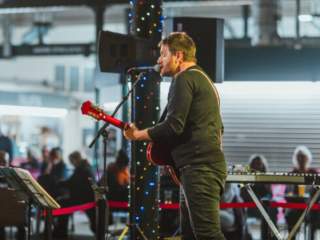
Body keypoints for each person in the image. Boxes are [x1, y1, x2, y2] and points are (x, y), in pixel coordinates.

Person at [124, 32, 227, 240]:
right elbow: (218, 129)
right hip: (199, 169)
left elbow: (172, 127)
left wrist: (137, 135)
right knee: (190, 235)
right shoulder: (202, 79)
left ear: (178, 56)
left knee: (208, 235)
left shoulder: (184, 79)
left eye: (163, 54)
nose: (158, 60)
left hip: (199, 170)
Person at [53, 151, 96, 238]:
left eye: (71, 161)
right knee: (62, 202)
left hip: (82, 199)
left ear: (76, 159)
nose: (71, 164)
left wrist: (58, 183)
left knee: (61, 204)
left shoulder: (82, 169)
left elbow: (72, 183)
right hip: (86, 198)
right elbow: (73, 182)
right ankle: (60, 231)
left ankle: (61, 232)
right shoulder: (85, 167)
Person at [285, 146, 319, 240]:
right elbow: (287, 193)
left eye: (303, 157)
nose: (301, 159)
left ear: (308, 158)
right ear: (295, 159)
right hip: (295, 206)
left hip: (311, 207)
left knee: (314, 217)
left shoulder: (314, 173)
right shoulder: (292, 173)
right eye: (298, 157)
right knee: (290, 216)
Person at [240, 154, 276, 240]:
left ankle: (270, 236)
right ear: (251, 165)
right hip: (250, 206)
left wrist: (263, 199)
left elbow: (270, 194)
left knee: (272, 208)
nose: (257, 166)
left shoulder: (266, 178)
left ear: (263, 166)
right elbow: (243, 193)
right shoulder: (246, 177)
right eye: (254, 164)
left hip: (263, 206)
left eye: (259, 164)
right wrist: (256, 200)